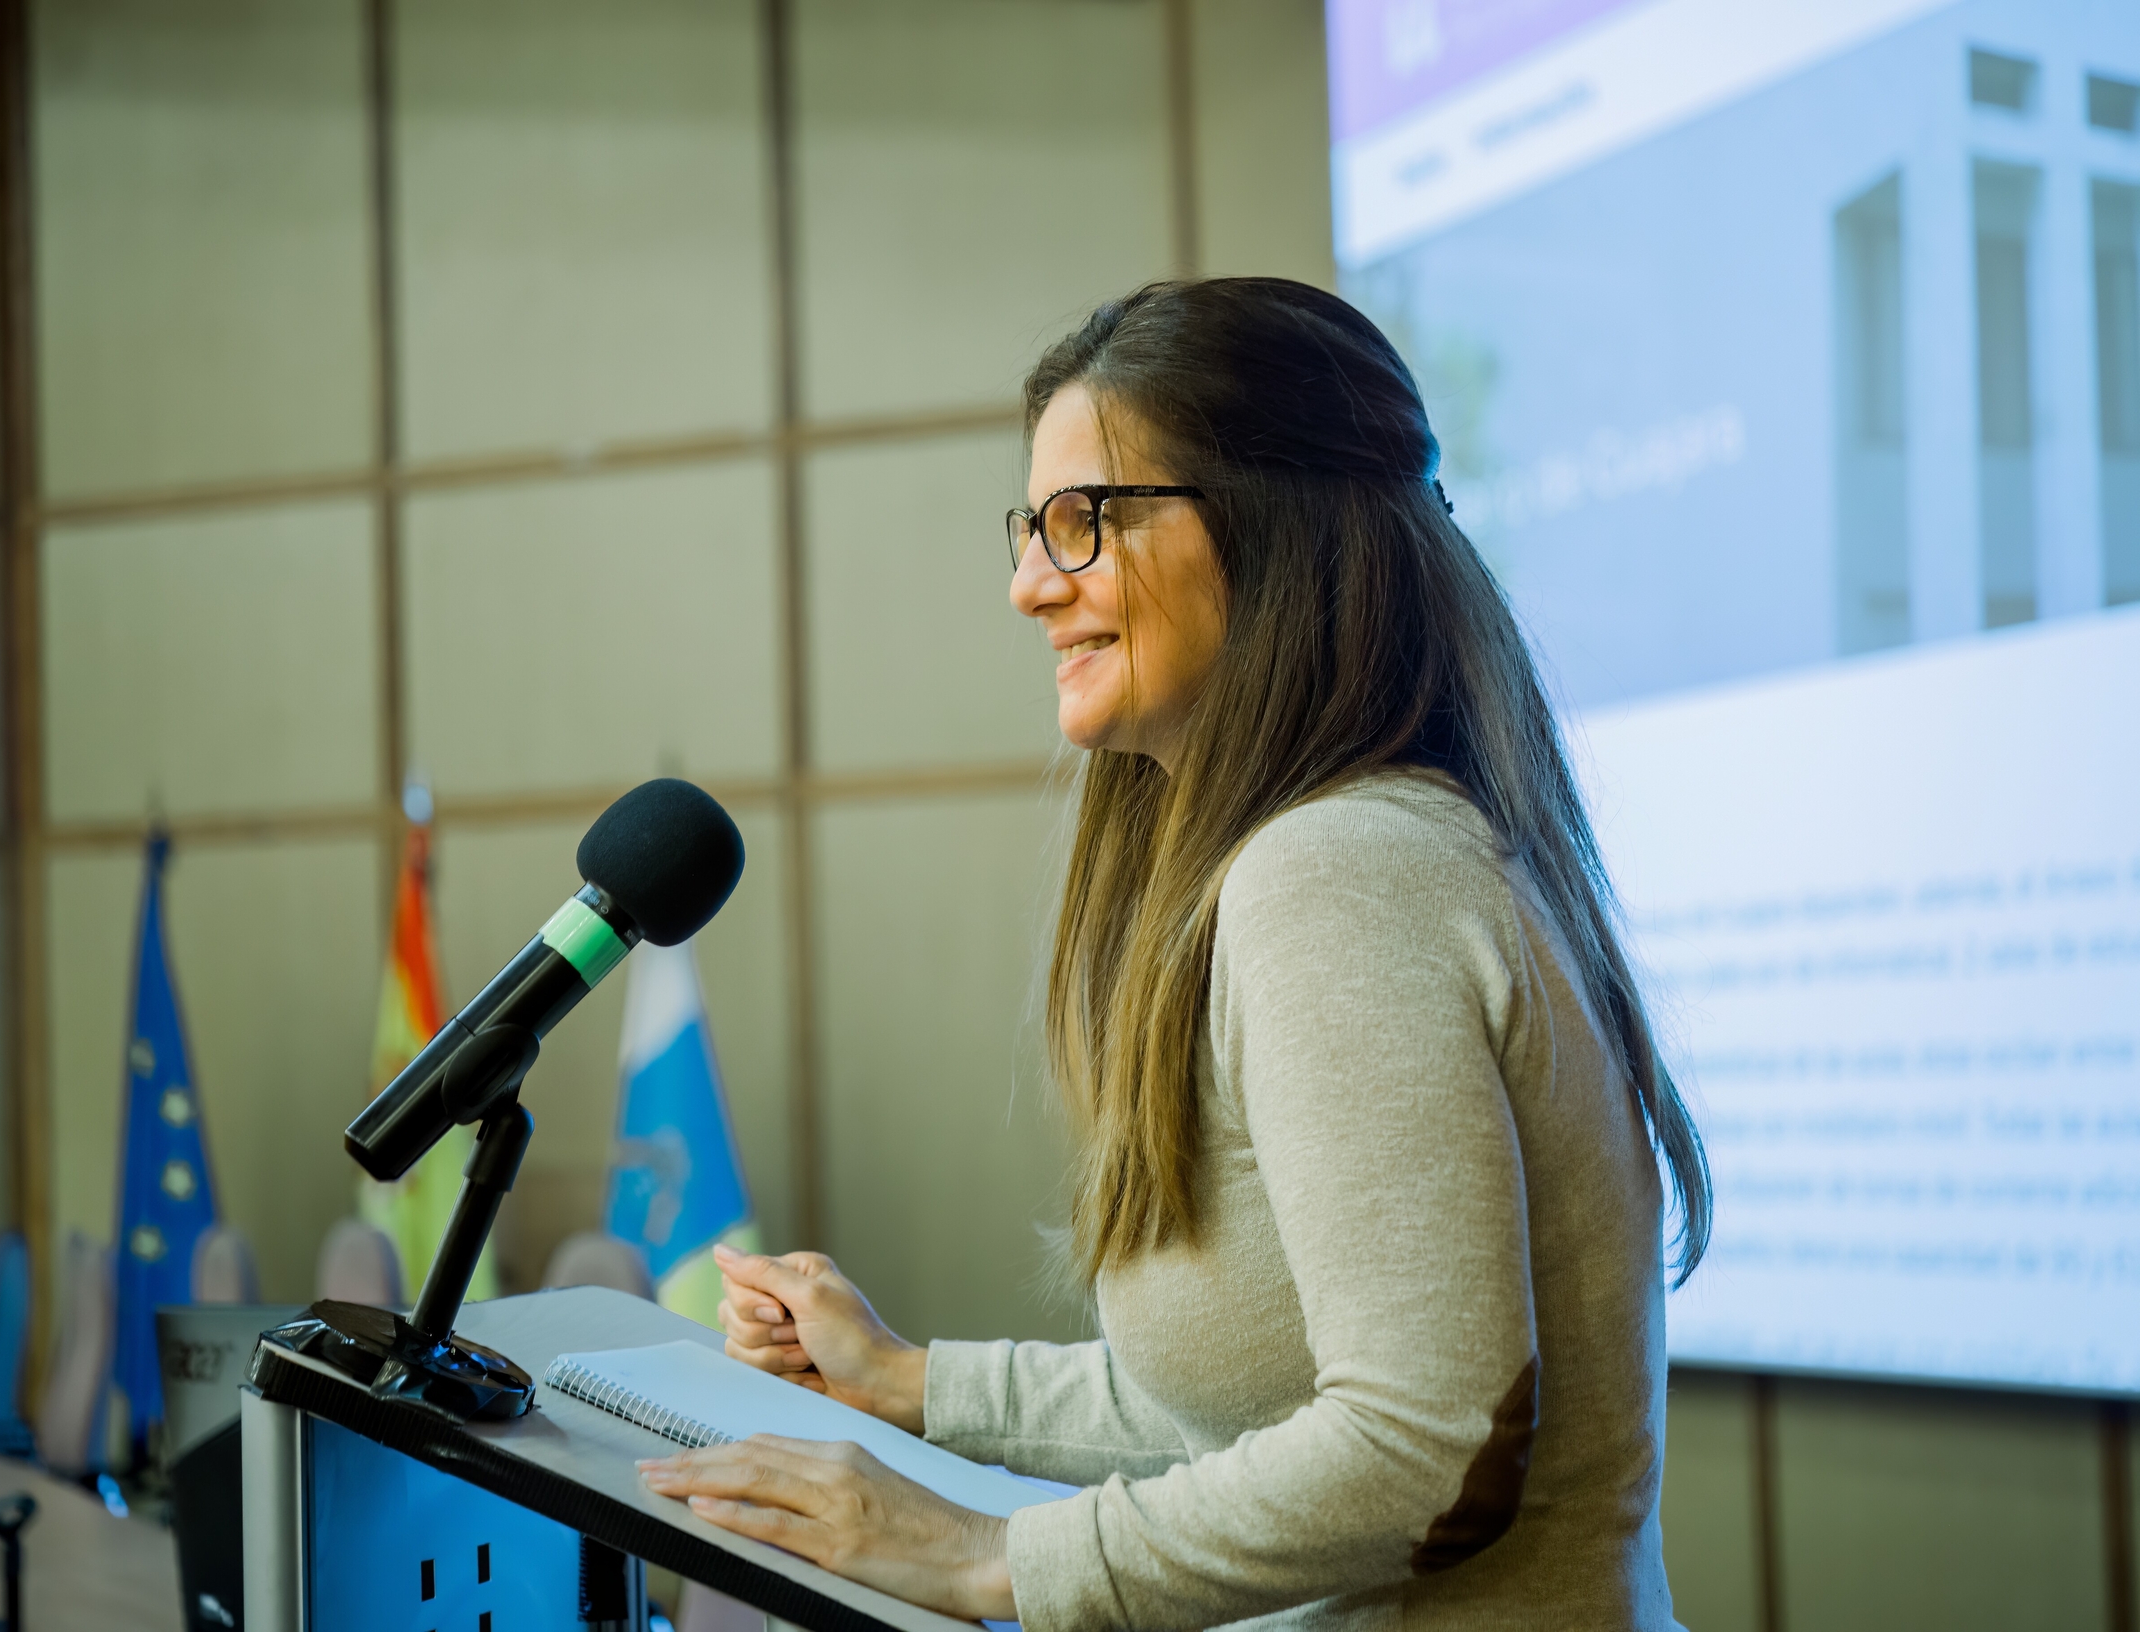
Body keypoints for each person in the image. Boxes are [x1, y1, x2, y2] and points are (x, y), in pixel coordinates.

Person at [637, 277, 1710, 1630]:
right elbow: (1253, 1404)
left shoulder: (1341, 872)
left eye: (1084, 523)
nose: (1029, 585)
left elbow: (1424, 1448)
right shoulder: (1366, 850)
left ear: (1275, 530)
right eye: (1030, 528)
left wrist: (987, 1559)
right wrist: (906, 1383)